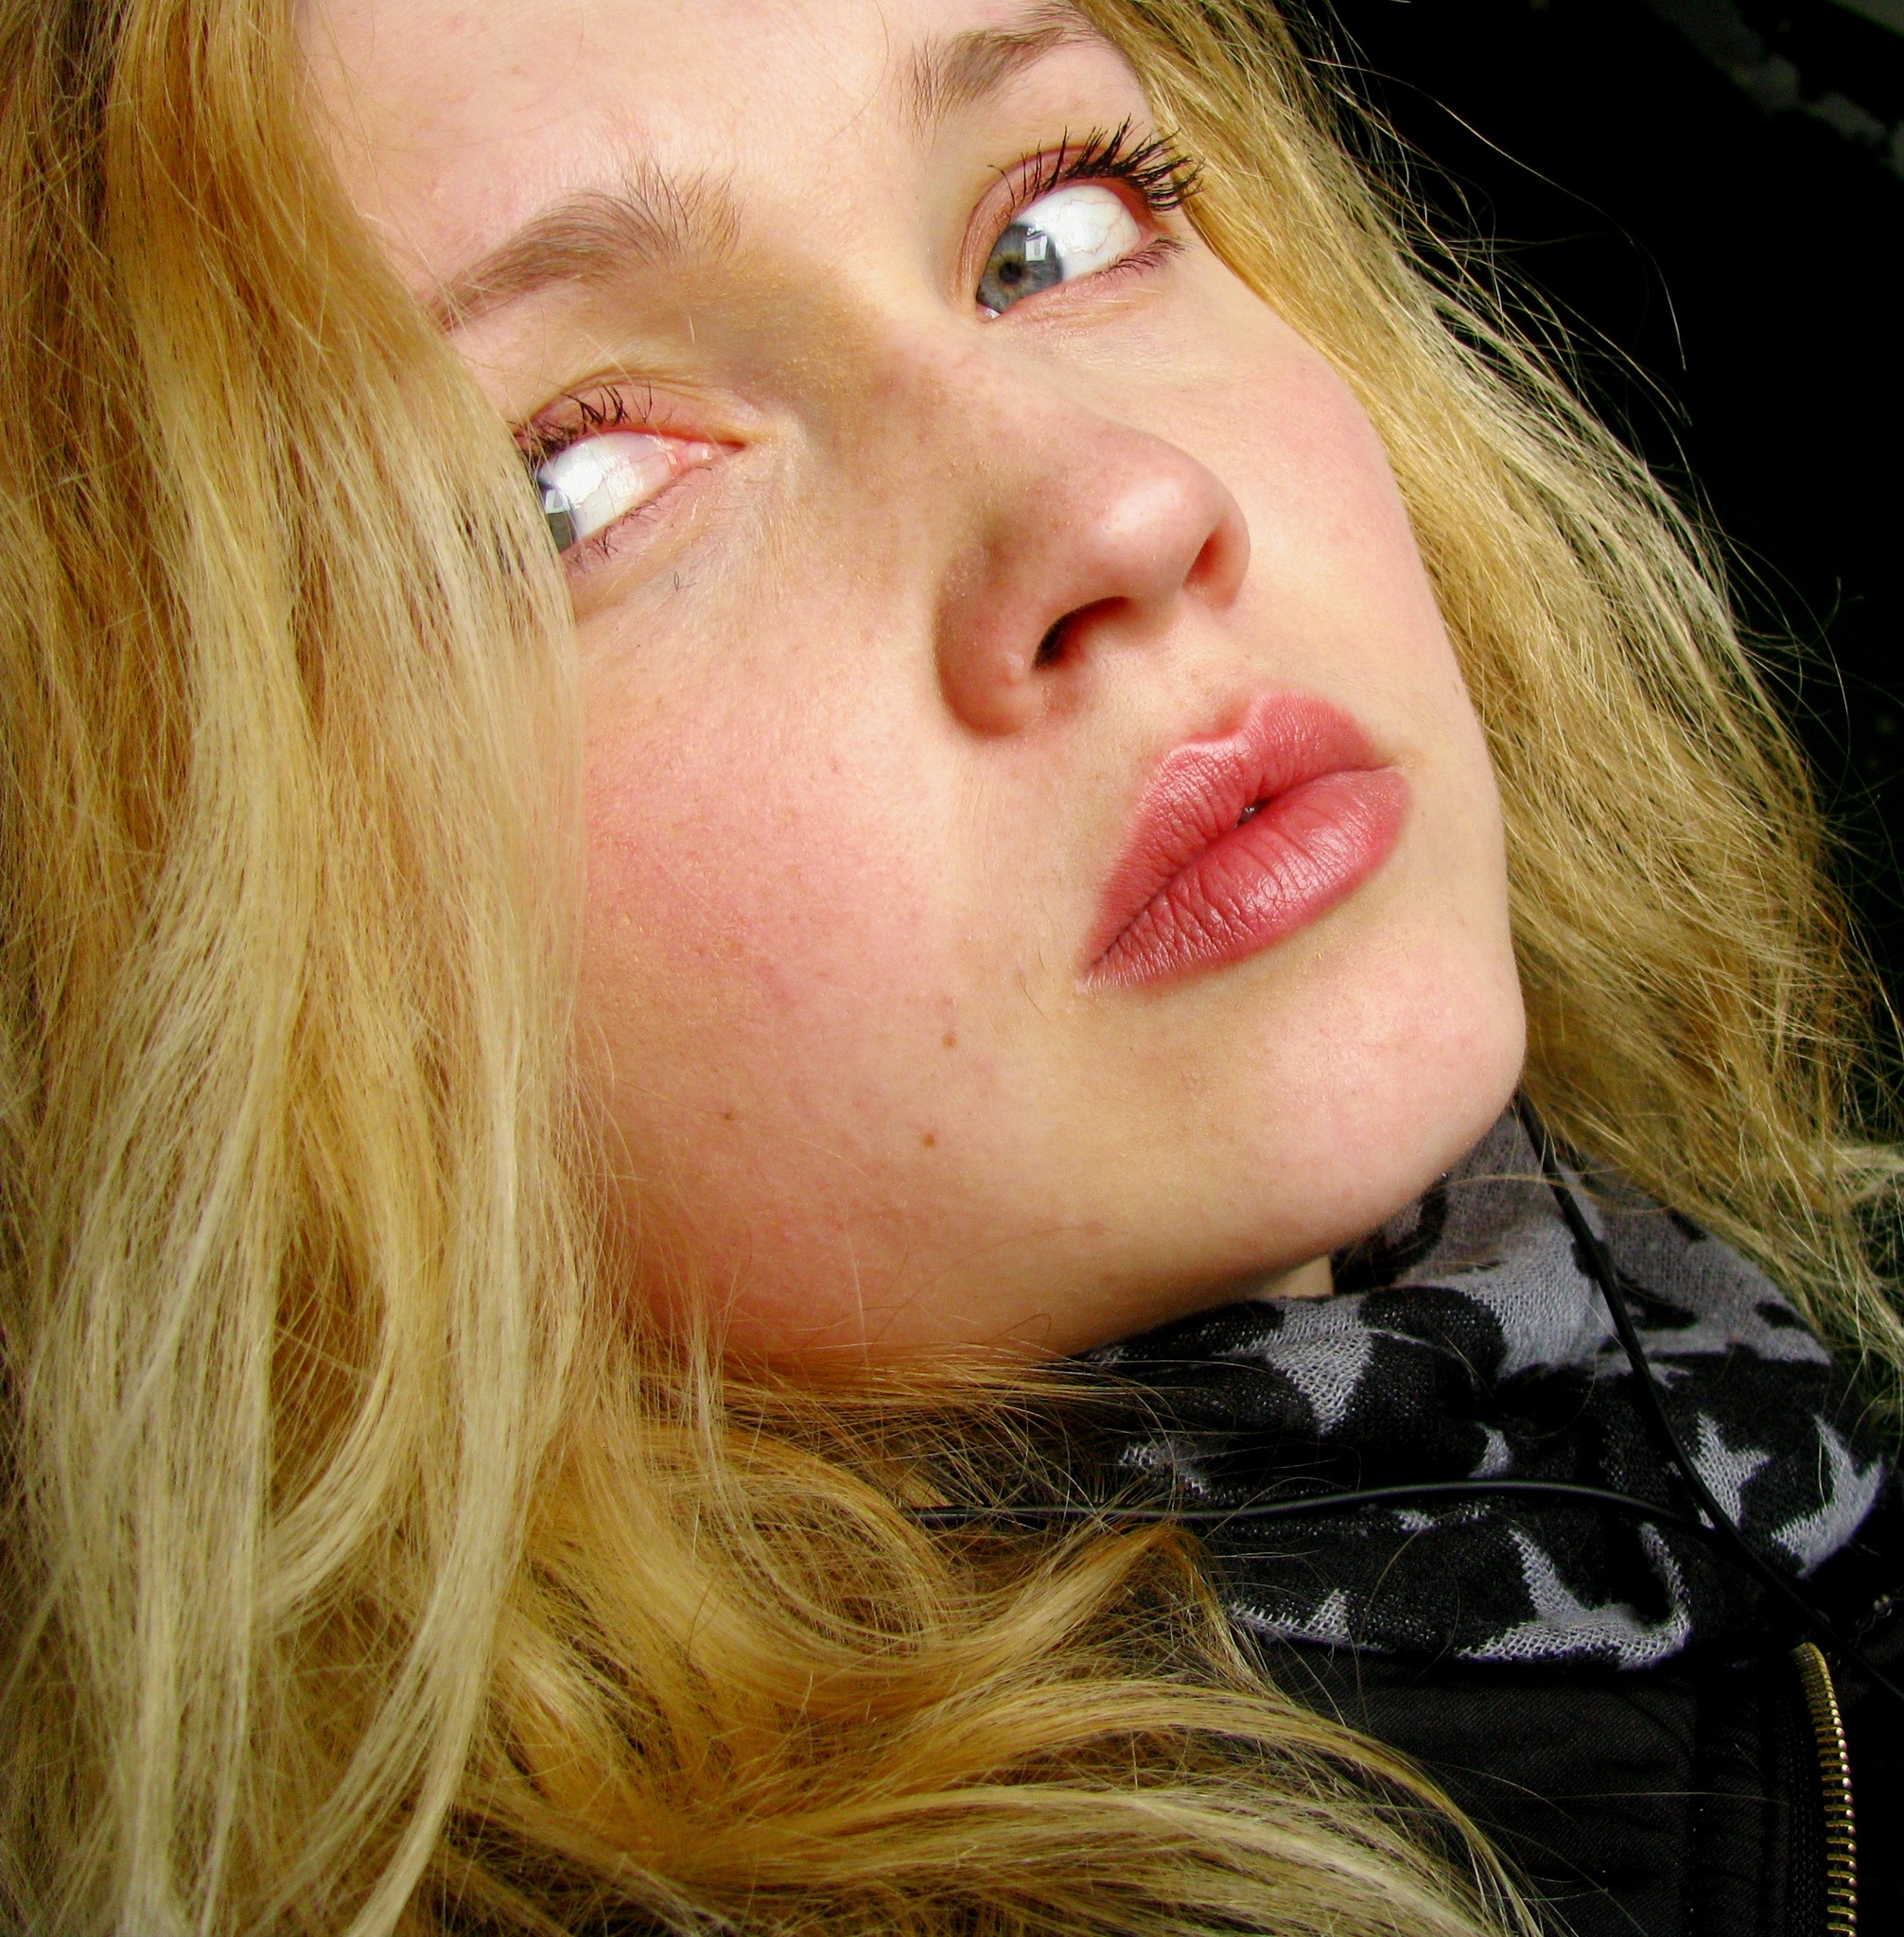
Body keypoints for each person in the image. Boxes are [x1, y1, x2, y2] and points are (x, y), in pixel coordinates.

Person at [0, 0, 1897, 1931]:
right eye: (572, 486)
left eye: (1052, 231)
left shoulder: (1660, 1379)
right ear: (174, 941)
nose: (1123, 503)